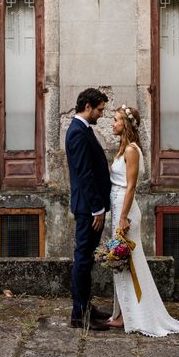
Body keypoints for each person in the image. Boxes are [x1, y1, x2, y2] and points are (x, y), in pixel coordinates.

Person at [107, 104, 179, 337]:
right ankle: (122, 312)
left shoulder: (132, 150)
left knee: (128, 261)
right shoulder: (121, 149)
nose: (112, 123)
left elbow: (131, 186)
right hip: (117, 205)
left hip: (125, 209)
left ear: (125, 124)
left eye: (115, 120)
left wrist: (123, 217)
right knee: (120, 261)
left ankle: (131, 315)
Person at [65, 88, 112, 331]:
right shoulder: (77, 133)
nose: (101, 115)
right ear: (88, 107)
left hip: (89, 207)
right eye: (100, 109)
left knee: (86, 259)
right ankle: (79, 314)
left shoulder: (83, 130)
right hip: (88, 210)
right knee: (82, 260)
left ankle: (85, 306)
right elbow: (84, 174)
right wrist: (97, 208)